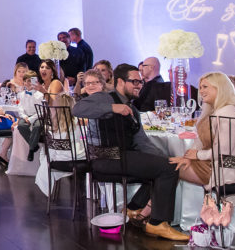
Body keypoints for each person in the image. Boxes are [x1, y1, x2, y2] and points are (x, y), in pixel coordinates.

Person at [73, 64, 189, 241]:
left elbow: (142, 142)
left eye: (140, 82)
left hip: (123, 157)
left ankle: (133, 209)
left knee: (166, 166)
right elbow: (77, 109)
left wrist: (165, 158)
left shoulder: (133, 109)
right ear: (120, 81)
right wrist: (112, 108)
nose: (138, 85)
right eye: (134, 81)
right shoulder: (106, 98)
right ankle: (158, 223)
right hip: (106, 159)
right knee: (167, 169)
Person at [170, 72, 235, 193]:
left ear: (220, 88)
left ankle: (145, 210)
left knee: (166, 169)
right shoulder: (214, 111)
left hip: (225, 170)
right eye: (200, 87)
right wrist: (189, 158)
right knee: (167, 165)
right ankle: (146, 209)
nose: (201, 91)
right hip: (213, 165)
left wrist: (197, 155)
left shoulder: (227, 113)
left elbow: (223, 150)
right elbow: (200, 142)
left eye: (205, 87)